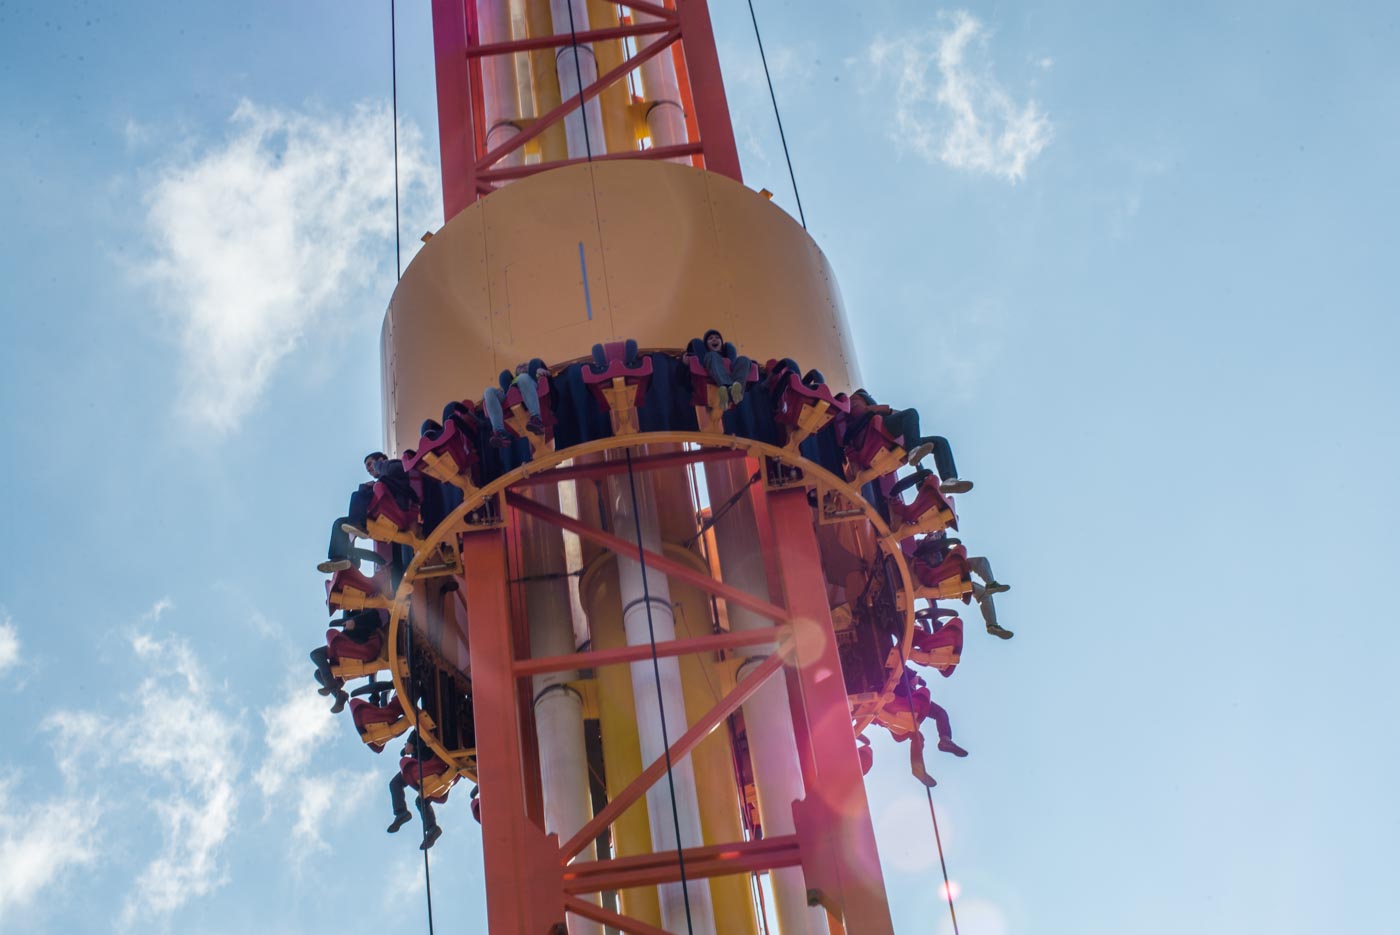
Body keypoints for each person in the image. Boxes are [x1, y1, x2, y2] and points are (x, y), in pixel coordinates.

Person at [849, 390, 972, 495]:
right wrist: (885, 409)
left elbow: (896, 415)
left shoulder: (881, 412)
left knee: (940, 442)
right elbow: (861, 412)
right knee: (911, 413)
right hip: (879, 432)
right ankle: (914, 450)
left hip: (894, 439)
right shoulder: (859, 402)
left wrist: (920, 469)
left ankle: (949, 480)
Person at [911, 534, 1013, 640]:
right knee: (978, 562)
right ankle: (991, 585)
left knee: (983, 591)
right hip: (935, 574)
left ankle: (992, 625)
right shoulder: (925, 544)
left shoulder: (939, 547)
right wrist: (944, 540)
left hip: (946, 576)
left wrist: (935, 621)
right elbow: (922, 549)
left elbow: (931, 599)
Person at [318, 452, 391, 573]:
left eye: (370, 464)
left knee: (357, 494)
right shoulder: (379, 482)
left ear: (381, 460)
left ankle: (357, 525)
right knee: (339, 523)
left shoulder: (389, 470)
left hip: (385, 512)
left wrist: (369, 486)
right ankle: (340, 558)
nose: (368, 469)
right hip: (372, 515)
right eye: (367, 468)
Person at [310, 609, 386, 713]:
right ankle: (337, 693)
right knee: (318, 673)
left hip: (361, 645)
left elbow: (376, 615)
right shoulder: (355, 617)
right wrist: (375, 699)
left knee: (316, 654)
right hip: (352, 652)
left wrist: (355, 622)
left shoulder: (368, 614)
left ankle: (332, 686)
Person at [387, 730, 449, 850]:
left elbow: (409, 748)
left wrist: (405, 750)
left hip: (425, 766)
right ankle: (432, 828)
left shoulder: (417, 730)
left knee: (395, 783)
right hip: (443, 770)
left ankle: (401, 812)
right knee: (421, 800)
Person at [483, 358, 548, 448]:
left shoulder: (531, 376)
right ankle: (500, 433)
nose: (521, 366)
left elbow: (541, 371)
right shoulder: (512, 382)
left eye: (524, 366)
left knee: (523, 377)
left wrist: (540, 370)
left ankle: (536, 419)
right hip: (510, 396)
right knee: (488, 391)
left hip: (531, 393)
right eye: (520, 367)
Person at [695, 329, 753, 407]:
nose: (714, 339)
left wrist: (750, 363)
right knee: (712, 355)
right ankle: (726, 387)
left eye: (717, 337)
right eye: (710, 338)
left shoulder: (729, 356)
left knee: (744, 359)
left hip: (731, 373)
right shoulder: (708, 355)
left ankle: (736, 390)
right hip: (713, 372)